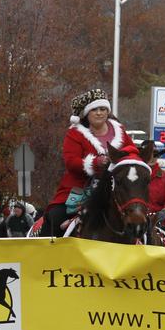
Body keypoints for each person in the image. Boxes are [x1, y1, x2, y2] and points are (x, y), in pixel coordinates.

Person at [43, 88, 128, 236]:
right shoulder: (74, 133)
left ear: (108, 111)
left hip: (114, 190)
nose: (99, 113)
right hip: (80, 189)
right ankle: (45, 253)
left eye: (103, 109)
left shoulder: (119, 131)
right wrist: (96, 163)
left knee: (138, 217)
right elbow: (70, 162)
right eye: (94, 109)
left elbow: (132, 151)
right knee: (55, 217)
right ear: (86, 113)